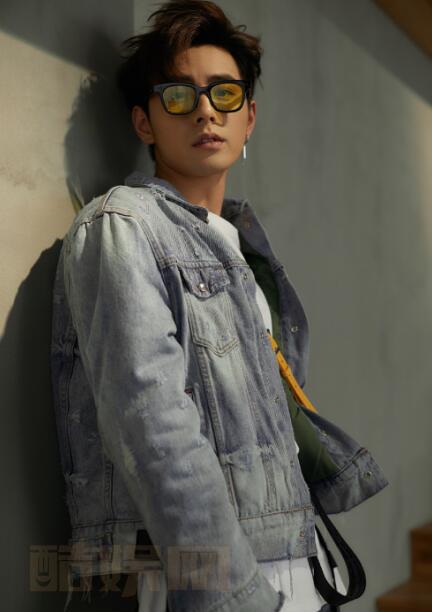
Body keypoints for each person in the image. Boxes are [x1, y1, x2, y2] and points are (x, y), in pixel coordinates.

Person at [50, 1, 388, 611]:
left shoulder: (240, 246)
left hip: (292, 559)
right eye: (179, 96)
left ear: (249, 116)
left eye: (224, 94)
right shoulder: (123, 224)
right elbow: (153, 428)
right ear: (144, 122)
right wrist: (233, 594)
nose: (206, 110)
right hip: (194, 578)